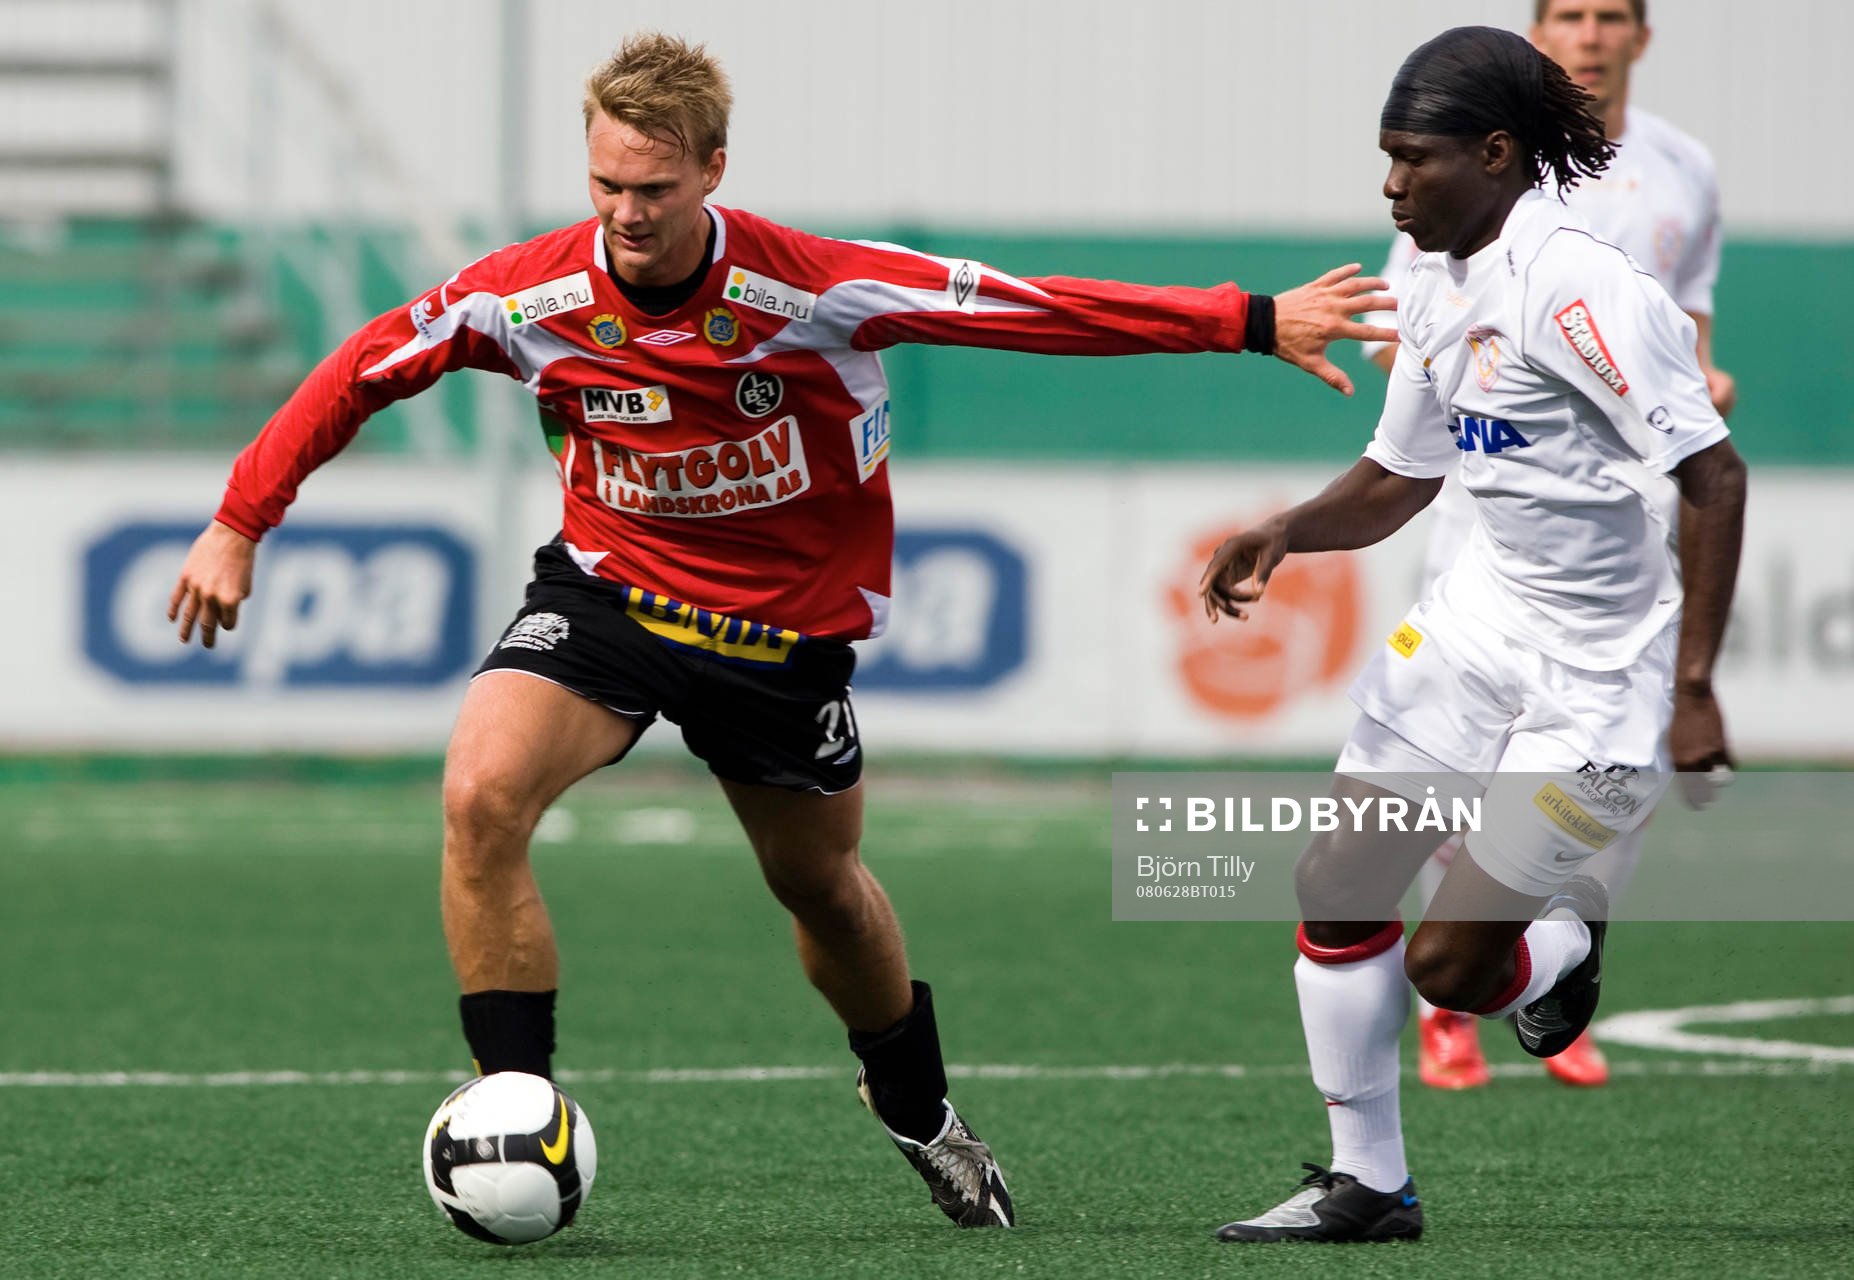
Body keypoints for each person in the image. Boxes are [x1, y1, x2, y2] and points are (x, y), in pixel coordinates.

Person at [165, 32, 1394, 1231]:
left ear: (711, 167)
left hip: (778, 639)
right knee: (481, 793)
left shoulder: (810, 284)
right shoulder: (531, 293)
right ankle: (512, 1093)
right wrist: (238, 521)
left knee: (822, 889)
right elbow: (367, 361)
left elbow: (1022, 306)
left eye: (653, 187)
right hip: (604, 599)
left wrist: (1243, 317)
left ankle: (917, 1106)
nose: (627, 212)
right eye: (605, 185)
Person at [1203, 26, 1744, 1243]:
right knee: (1336, 881)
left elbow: (1715, 477)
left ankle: (1562, 952)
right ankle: (1370, 1185)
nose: (1391, 186)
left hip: (1595, 675)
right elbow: (1403, 473)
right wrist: (1285, 529)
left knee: (1453, 969)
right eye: (1385, 160)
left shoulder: (1586, 286)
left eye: (1413, 160)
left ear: (1495, 154)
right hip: (1468, 630)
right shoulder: (1430, 269)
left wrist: (1693, 686)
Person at [1365, 0, 1735, 1091]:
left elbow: (1691, 325)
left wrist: (1692, 386)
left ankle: (1541, 949)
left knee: (1599, 768)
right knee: (1450, 764)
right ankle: (1468, 991)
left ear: (1638, 37)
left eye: (1607, 14)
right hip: (1486, 514)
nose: (1588, 32)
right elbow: (1430, 334)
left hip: (1617, 504)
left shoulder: (1682, 171)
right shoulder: (1461, 187)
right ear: (1541, 38)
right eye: (1566, 14)